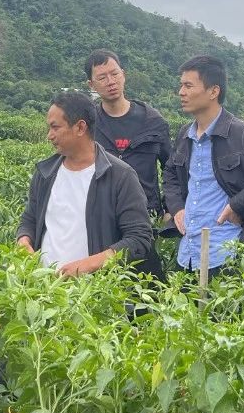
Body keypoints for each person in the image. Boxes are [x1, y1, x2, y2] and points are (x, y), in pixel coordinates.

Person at [163, 55, 244, 273]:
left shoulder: (241, 134)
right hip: (188, 253)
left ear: (213, 91)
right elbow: (170, 173)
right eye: (181, 85)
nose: (181, 92)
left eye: (188, 86)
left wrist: (237, 205)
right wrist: (177, 208)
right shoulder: (185, 135)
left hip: (225, 254)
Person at [16, 92, 164, 280]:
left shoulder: (120, 176)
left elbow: (139, 239)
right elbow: (29, 219)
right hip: (45, 287)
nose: (49, 136)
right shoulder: (45, 173)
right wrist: (24, 241)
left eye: (55, 127)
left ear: (80, 127)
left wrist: (90, 264)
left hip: (93, 291)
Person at [85, 49, 172, 216]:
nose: (111, 82)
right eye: (102, 78)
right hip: (101, 216)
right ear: (91, 85)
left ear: (123, 75)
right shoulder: (88, 125)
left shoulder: (153, 121)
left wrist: (169, 209)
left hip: (146, 216)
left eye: (115, 74)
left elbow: (172, 169)